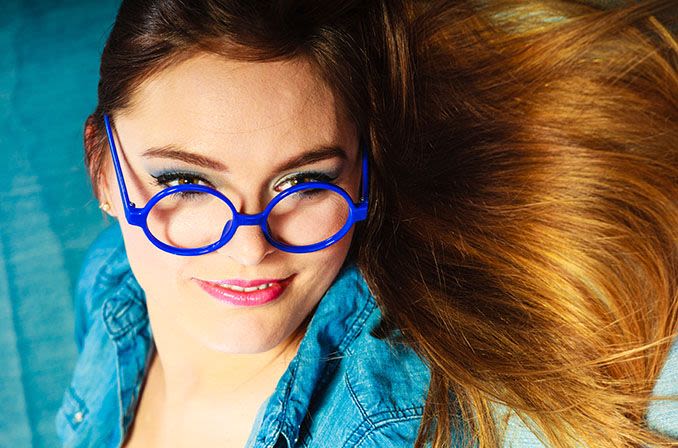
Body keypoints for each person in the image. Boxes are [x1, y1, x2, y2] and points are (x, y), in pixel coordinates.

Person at [56, 1, 677, 447]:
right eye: (185, 184)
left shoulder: (386, 423)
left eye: (303, 183)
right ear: (103, 170)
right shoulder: (114, 282)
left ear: (362, 174)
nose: (250, 247)